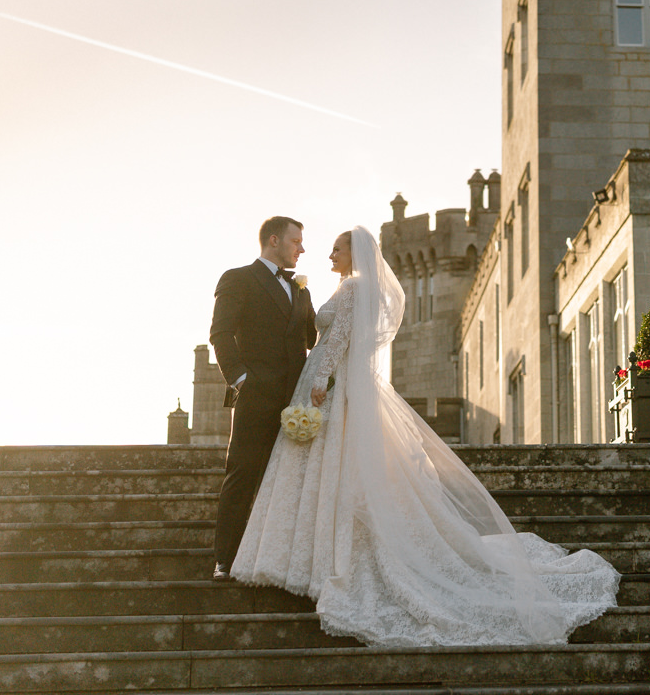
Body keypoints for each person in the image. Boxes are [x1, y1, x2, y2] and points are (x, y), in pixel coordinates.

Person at [232, 225, 619, 646]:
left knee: (333, 467)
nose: (327, 255)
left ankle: (318, 560)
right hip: (326, 379)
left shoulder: (355, 288)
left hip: (328, 382)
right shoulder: (347, 287)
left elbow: (339, 337)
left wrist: (321, 379)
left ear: (355, 253)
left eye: (336, 249)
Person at [208, 215, 318, 581]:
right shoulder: (237, 278)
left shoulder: (301, 288)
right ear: (274, 240)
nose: (301, 249)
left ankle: (277, 559)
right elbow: (220, 334)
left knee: (287, 481)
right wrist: (241, 381)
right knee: (242, 475)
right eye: (295, 241)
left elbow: (312, 339)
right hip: (255, 397)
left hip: (295, 401)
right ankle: (226, 559)